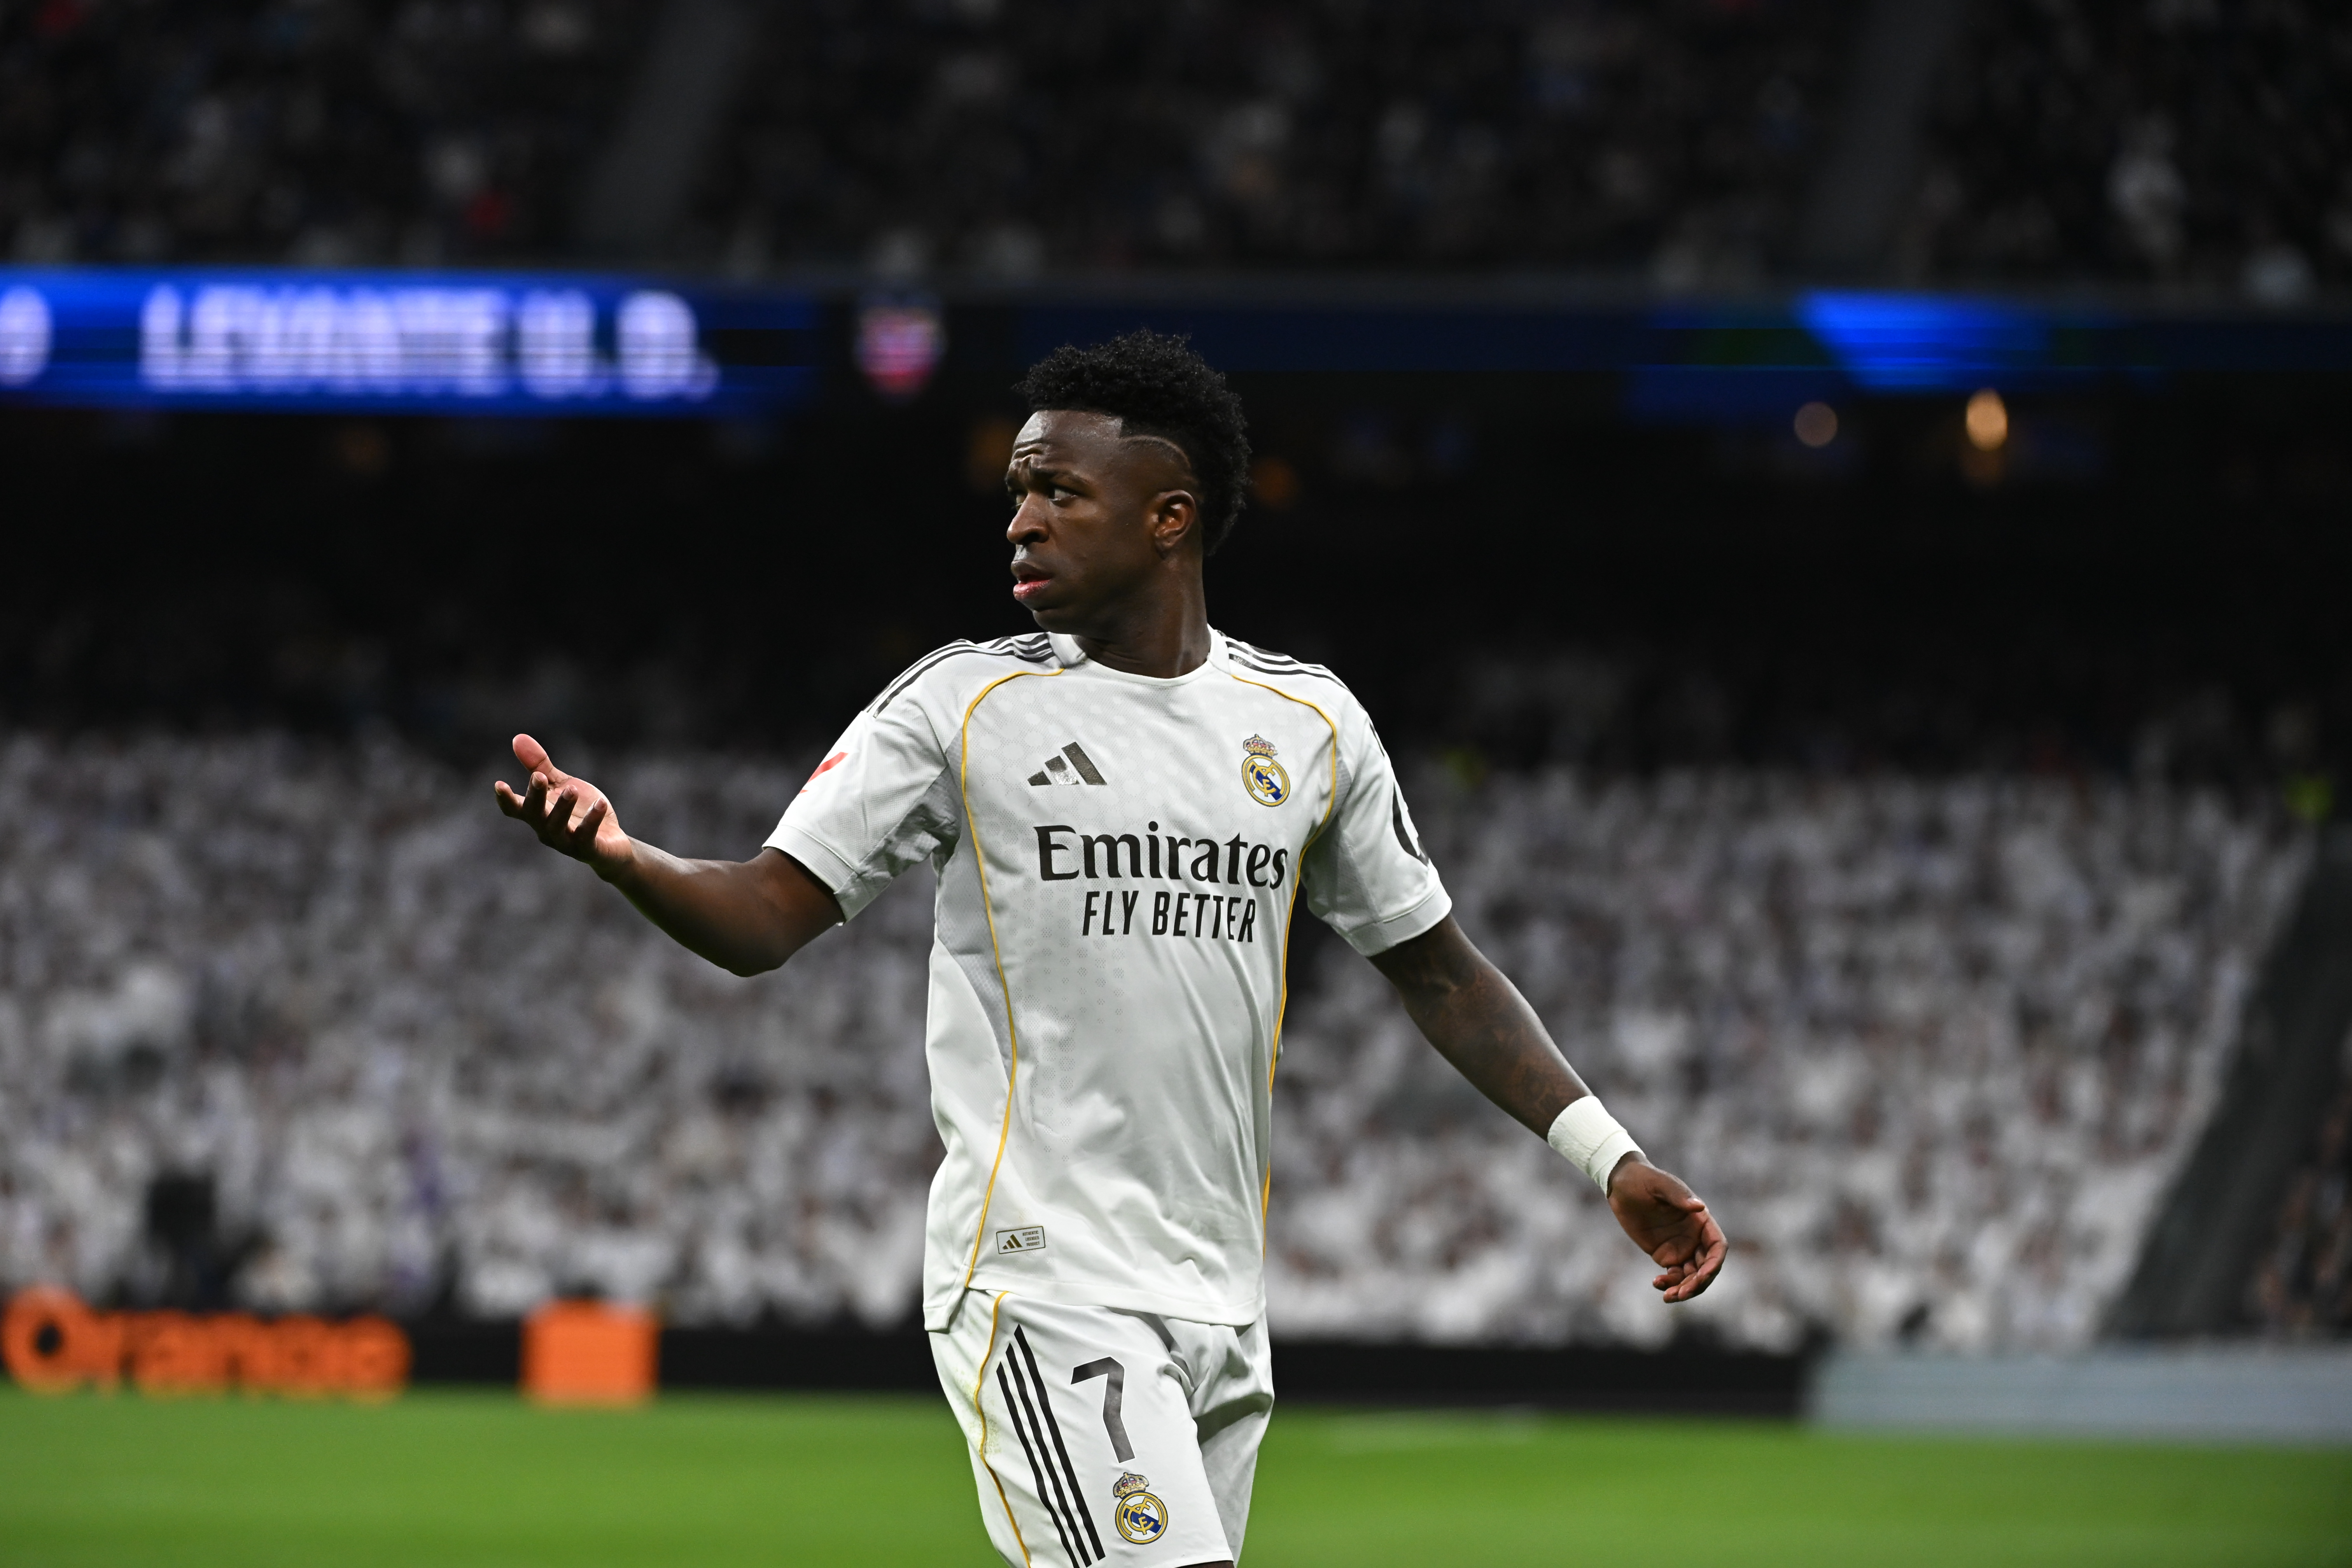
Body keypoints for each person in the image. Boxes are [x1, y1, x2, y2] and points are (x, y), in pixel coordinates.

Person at [494, 330, 1726, 1567]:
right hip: (1044, 1277)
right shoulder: (959, 706)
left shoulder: (1309, 724)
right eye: (1019, 490)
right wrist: (624, 856)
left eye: (1060, 492)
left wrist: (1607, 1158)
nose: (1021, 522)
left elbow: (1440, 970)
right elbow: (764, 917)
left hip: (1221, 1301)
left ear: (1169, 519)